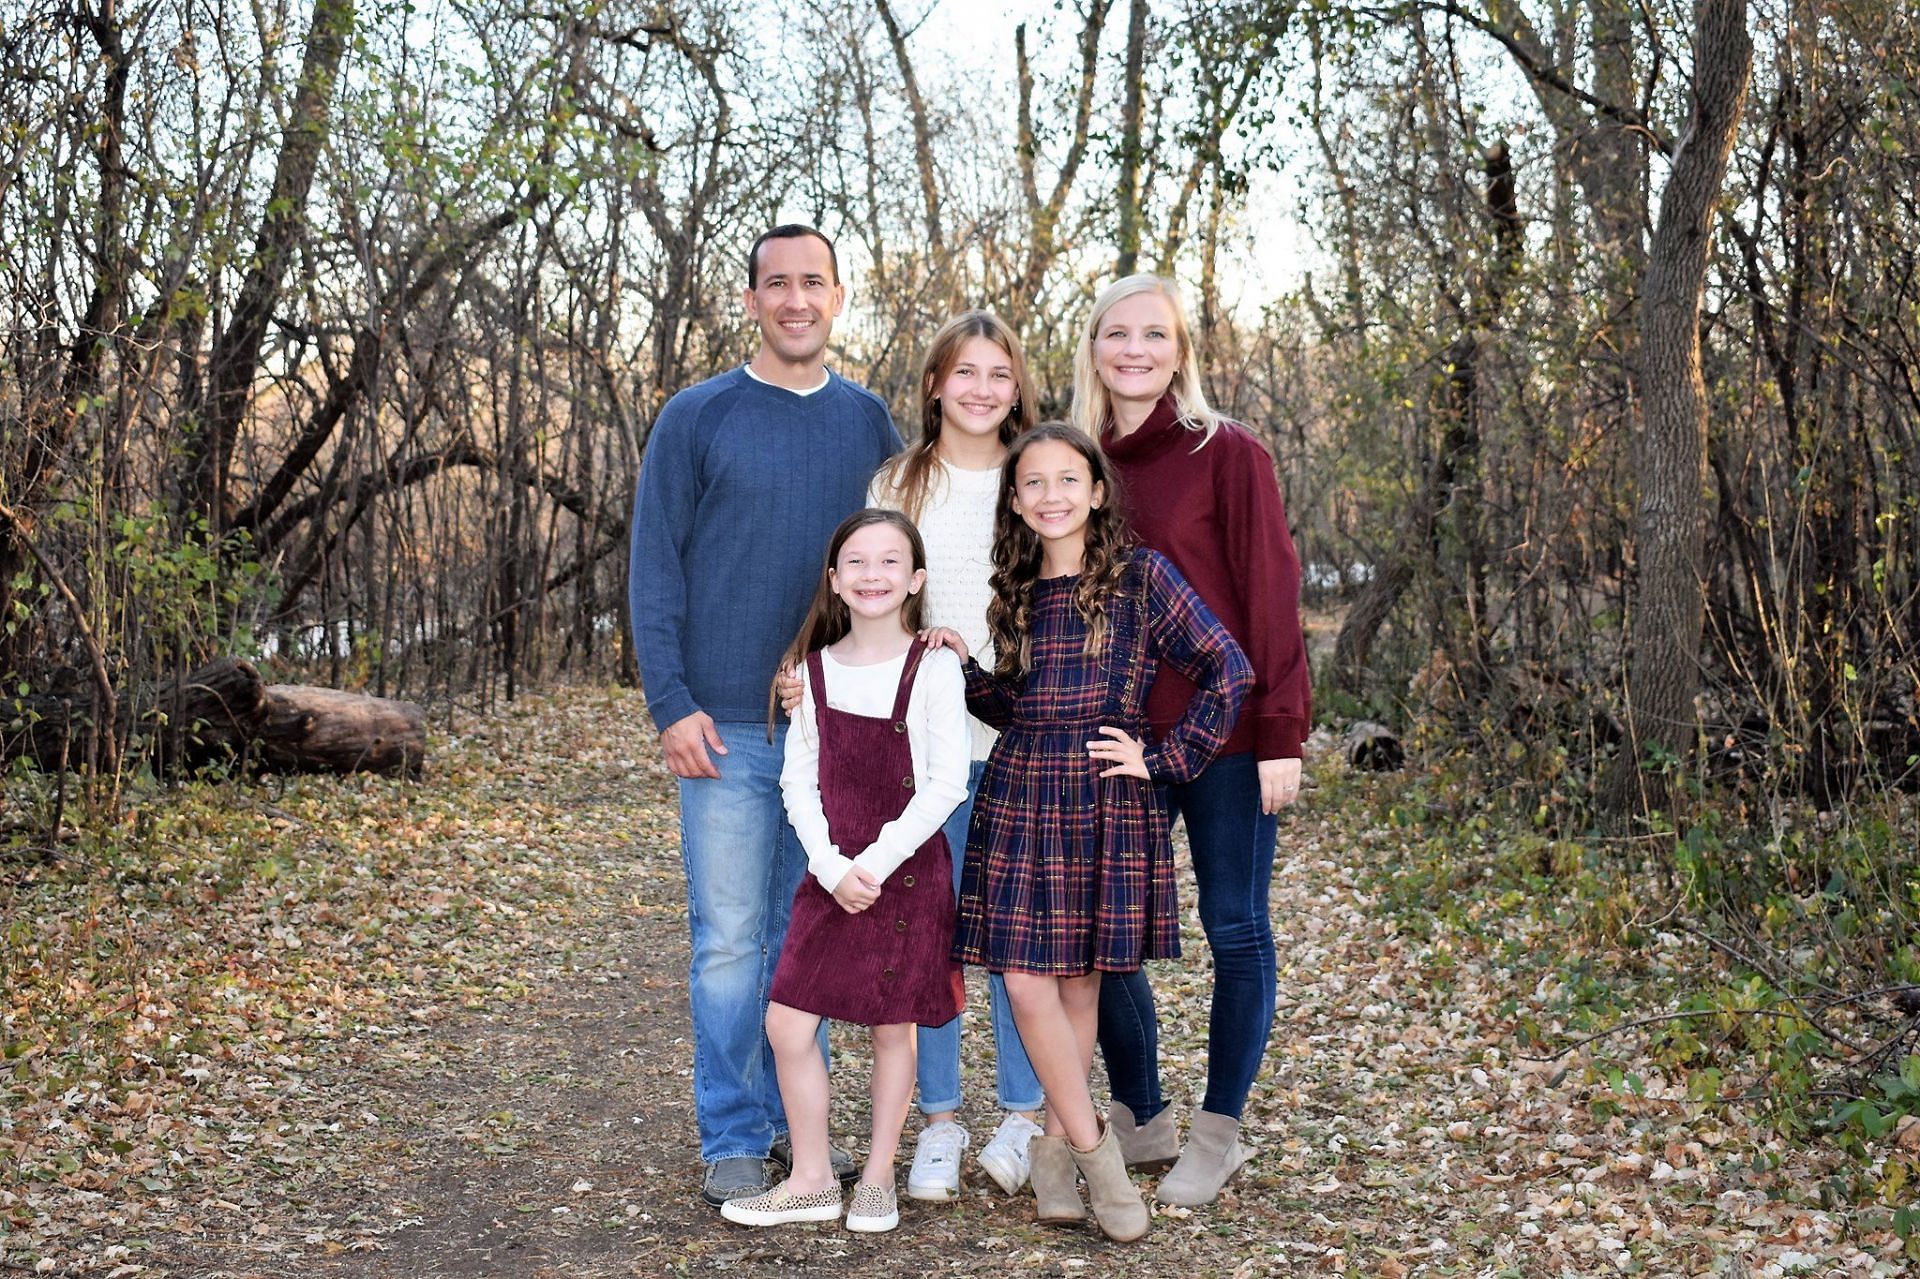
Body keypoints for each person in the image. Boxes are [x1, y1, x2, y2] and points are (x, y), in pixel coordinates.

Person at [627, 225, 900, 1208]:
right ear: (750, 300)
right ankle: (735, 1133)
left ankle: (806, 1132)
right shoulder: (696, 417)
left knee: (812, 934)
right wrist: (671, 703)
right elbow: (654, 565)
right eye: (776, 285)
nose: (795, 301)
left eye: (812, 284)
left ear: (837, 297)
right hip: (728, 731)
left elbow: (900, 575)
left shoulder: (871, 425)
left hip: (838, 735)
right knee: (733, 939)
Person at [930, 423, 1252, 1242]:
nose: (1051, 496)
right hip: (1021, 791)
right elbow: (1019, 706)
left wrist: (1166, 755)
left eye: (1067, 479)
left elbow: (1228, 668)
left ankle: (1049, 1154)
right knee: (1028, 982)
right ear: (1015, 499)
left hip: (1104, 798)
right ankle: (1098, 1155)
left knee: (1078, 986)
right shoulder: (1017, 588)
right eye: (1032, 483)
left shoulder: (1140, 578)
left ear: (1097, 491)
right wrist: (967, 667)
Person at [1071, 274, 1311, 1207]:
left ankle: (1219, 1129)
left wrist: (1282, 731)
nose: (1134, 350)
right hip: (1119, 738)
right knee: (1106, 933)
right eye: (1115, 334)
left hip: (1230, 736)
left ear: (1180, 351)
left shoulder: (1228, 453)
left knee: (1235, 926)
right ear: (1092, 347)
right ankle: (1142, 1113)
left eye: (1153, 335)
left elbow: (1271, 592)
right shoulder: (1076, 458)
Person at [721, 510, 970, 1232]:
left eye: (890, 562)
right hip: (831, 874)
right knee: (788, 1021)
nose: (872, 575)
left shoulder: (934, 667)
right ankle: (812, 1176)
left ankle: (879, 1177)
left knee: (894, 1026)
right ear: (834, 578)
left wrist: (876, 862)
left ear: (916, 578)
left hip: (907, 874)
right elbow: (799, 781)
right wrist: (831, 867)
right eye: (856, 562)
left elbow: (947, 782)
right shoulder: (813, 671)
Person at [862, 311, 1048, 1200]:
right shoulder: (899, 478)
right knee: (929, 932)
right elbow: (874, 591)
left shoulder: (1034, 475)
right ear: (935, 382)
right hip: (923, 749)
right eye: (964, 371)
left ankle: (1021, 1114)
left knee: (1015, 936)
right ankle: (940, 1119)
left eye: (998, 374)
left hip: (1018, 743)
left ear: (1017, 388)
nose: (981, 388)